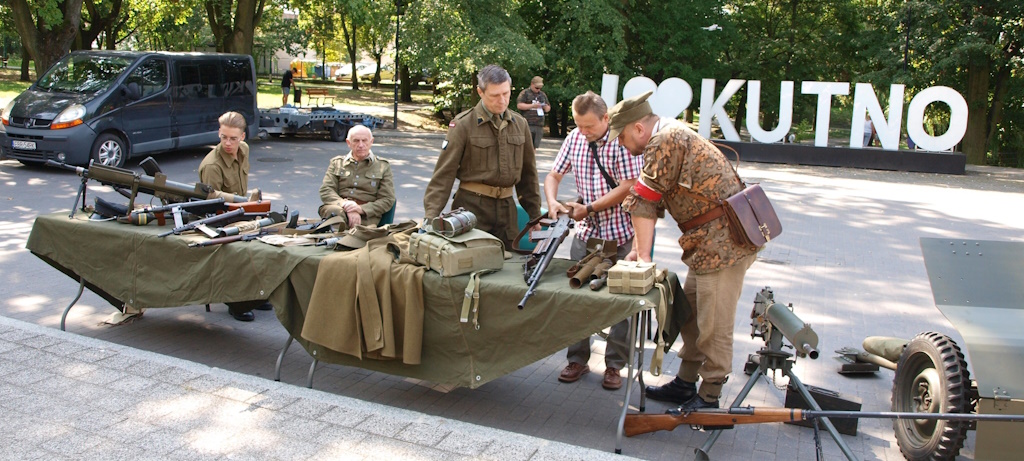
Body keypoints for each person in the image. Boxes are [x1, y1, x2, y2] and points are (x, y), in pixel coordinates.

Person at [610, 91, 758, 411]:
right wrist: (640, 249)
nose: (621, 144)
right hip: (709, 244)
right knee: (690, 316)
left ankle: (709, 398)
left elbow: (643, 198)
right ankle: (686, 382)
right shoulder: (671, 133)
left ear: (638, 128)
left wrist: (643, 257)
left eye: (621, 137)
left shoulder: (665, 139)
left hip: (724, 246)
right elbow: (652, 195)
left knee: (713, 325)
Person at [545, 91, 644, 390]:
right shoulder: (575, 138)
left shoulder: (621, 139)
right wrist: (552, 202)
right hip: (586, 235)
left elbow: (629, 186)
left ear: (606, 118)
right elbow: (554, 174)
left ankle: (614, 366)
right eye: (579, 125)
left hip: (623, 237)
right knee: (577, 299)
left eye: (589, 126)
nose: (583, 132)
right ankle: (577, 359)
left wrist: (589, 208)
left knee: (620, 306)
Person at [423, 64, 542, 249]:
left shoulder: (520, 124)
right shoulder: (463, 125)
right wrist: (430, 219)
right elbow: (443, 176)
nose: (502, 100)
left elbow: (529, 176)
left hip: (506, 212)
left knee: (509, 269)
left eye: (506, 93)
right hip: (471, 210)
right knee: (470, 266)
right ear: (480, 91)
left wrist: (535, 216)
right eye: (495, 95)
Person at [198, 111, 271, 322]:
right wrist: (243, 202)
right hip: (219, 218)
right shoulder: (212, 165)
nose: (228, 143)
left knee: (265, 243)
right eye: (223, 137)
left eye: (233, 138)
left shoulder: (243, 150)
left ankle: (254, 294)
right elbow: (211, 200)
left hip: (242, 213)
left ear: (242, 137)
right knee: (237, 251)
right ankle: (236, 302)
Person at [318, 125, 396, 228]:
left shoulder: (382, 166)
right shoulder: (337, 163)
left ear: (371, 142)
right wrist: (345, 205)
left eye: (364, 140)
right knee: (336, 216)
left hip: (367, 216)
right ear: (348, 143)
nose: (361, 145)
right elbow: (326, 190)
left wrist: (360, 209)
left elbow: (387, 199)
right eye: (356, 141)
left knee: (356, 236)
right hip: (337, 210)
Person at [516, 76, 551, 148]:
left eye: (540, 88)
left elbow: (548, 108)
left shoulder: (542, 95)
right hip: (528, 124)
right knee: (526, 146)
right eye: (536, 88)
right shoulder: (525, 93)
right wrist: (532, 106)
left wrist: (544, 106)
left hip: (539, 124)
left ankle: (533, 159)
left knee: (534, 146)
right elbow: (519, 105)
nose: (538, 90)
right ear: (532, 84)